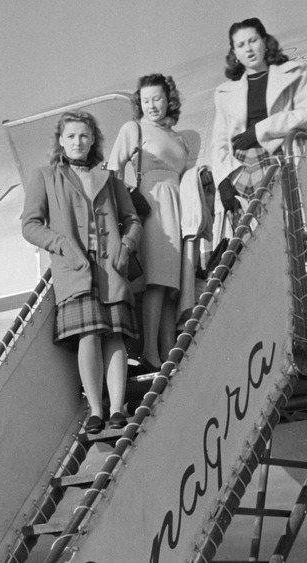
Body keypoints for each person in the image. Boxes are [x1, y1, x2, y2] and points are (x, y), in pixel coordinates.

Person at [22, 111, 143, 433]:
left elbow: (132, 219)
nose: (78, 142)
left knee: (115, 335)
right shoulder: (45, 176)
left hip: (110, 266)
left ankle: (117, 408)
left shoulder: (110, 177)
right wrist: (62, 245)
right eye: (72, 136)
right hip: (75, 267)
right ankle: (95, 409)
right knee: (88, 335)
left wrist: (125, 248)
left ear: (93, 140)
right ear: (61, 141)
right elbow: (30, 225)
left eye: (85, 136)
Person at [108, 74, 199, 371]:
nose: (152, 105)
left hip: (178, 205)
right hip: (154, 204)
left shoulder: (178, 138)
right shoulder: (134, 128)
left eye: (157, 98)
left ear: (168, 99)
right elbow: (114, 169)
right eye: (145, 100)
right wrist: (126, 203)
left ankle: (167, 349)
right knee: (157, 280)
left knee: (171, 283)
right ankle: (150, 351)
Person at [211, 18, 307, 217]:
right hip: (242, 173)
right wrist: (222, 181)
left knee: (291, 228)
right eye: (241, 45)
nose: (249, 49)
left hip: (284, 159)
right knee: (259, 238)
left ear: (264, 41)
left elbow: (304, 114)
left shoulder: (292, 75)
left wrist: (259, 130)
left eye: (253, 40)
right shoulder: (225, 93)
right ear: (235, 53)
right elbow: (219, 141)